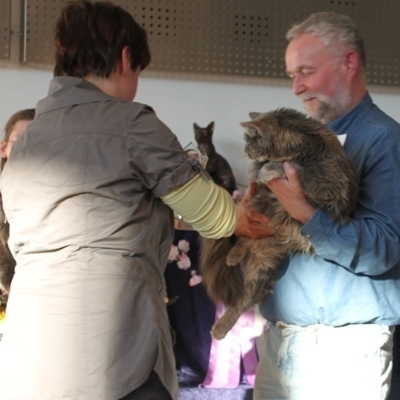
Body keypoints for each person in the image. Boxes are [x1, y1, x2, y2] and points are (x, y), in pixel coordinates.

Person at [0, 2, 237, 400]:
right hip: (111, 346)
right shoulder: (131, 123)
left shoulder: (29, 140)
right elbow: (217, 217)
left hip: (31, 347)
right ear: (126, 58)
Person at [238, 11, 400, 400]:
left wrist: (304, 213)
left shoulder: (384, 142)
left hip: (342, 354)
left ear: (349, 62)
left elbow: (386, 249)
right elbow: (293, 234)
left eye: (306, 71)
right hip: (281, 341)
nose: (297, 87)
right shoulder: (307, 142)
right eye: (292, 75)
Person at [0, 108, 35, 339]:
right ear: (4, 148)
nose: (28, 149)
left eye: (37, 141)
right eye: (20, 140)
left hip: (35, 320)